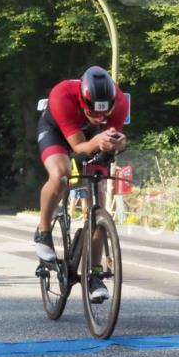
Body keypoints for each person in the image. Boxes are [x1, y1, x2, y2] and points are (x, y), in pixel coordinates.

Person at [34, 66, 128, 302]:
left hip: (94, 138)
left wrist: (120, 143)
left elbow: (111, 140)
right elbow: (78, 148)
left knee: (99, 200)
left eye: (104, 115)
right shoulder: (62, 95)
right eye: (93, 113)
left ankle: (94, 274)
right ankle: (43, 232)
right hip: (57, 132)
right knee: (61, 174)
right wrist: (97, 137)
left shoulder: (120, 102)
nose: (99, 118)